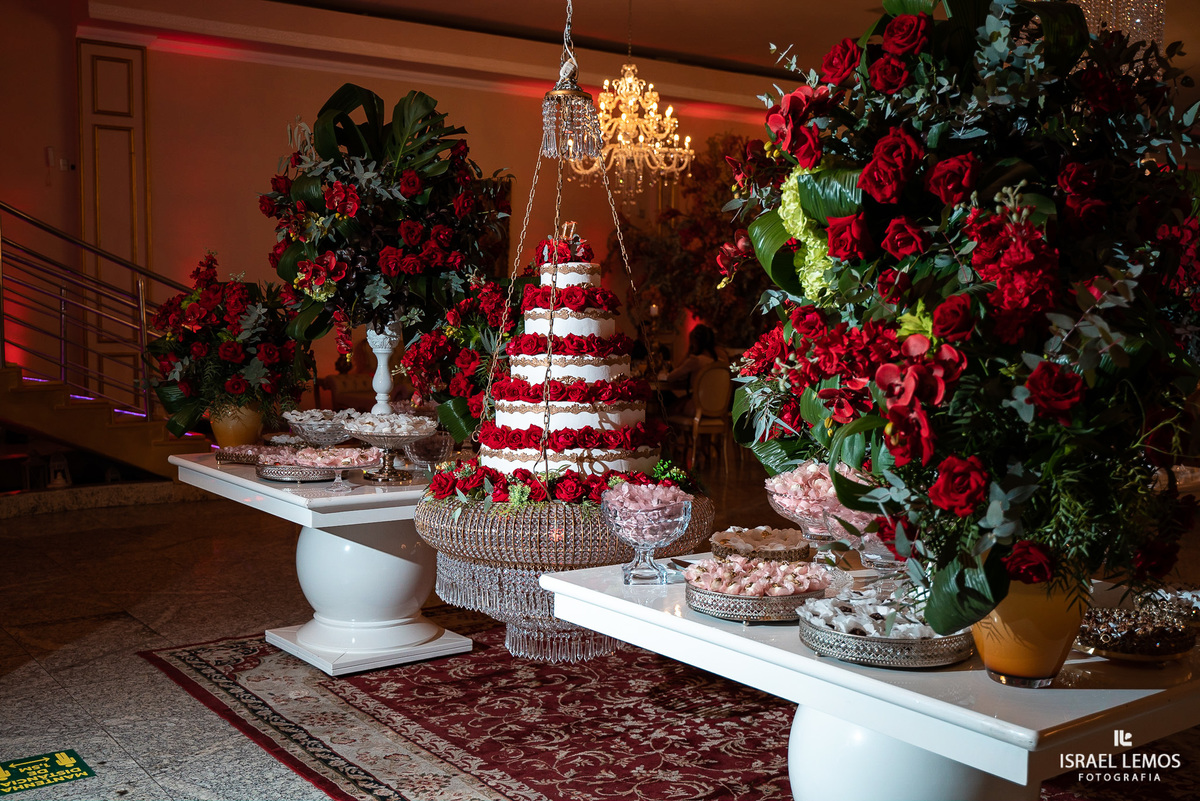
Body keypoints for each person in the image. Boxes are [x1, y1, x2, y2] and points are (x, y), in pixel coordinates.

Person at [666, 324, 721, 415]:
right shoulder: (720, 363)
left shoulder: (696, 361)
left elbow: (670, 377)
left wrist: (688, 354)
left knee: (667, 409)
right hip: (716, 407)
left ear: (695, 342)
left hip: (698, 407)